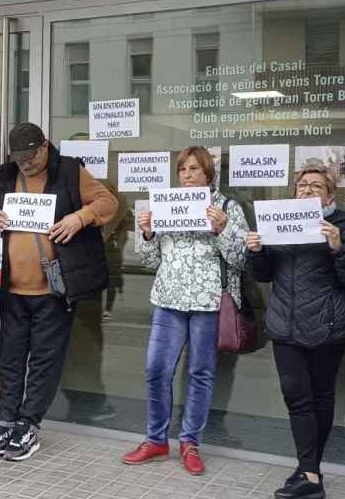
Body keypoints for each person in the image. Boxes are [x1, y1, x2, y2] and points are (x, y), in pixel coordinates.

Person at [0, 123, 119, 462]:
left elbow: (108, 202)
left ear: (46, 147)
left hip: (53, 289)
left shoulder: (70, 171)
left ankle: (28, 424)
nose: (26, 165)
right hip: (11, 289)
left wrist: (80, 218)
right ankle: (5, 420)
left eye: (31, 157)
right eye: (20, 159)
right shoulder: (4, 176)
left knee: (44, 361)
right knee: (10, 360)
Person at [245, 164, 345, 499]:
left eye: (317, 185)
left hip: (327, 326)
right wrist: (255, 252)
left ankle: (309, 472)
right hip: (285, 324)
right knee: (297, 397)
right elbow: (264, 274)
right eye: (302, 185)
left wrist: (339, 247)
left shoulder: (343, 225)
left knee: (321, 397)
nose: (307, 189)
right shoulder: (278, 221)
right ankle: (310, 473)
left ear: (330, 194)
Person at [121, 146, 248, 475]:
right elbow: (150, 262)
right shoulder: (167, 205)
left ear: (209, 174)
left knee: (200, 374)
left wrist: (222, 230)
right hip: (168, 301)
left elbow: (240, 259)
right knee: (156, 370)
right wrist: (147, 234)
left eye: (195, 169)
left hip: (208, 303)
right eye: (183, 169)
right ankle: (156, 440)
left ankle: (189, 442)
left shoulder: (227, 207)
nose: (188, 175)